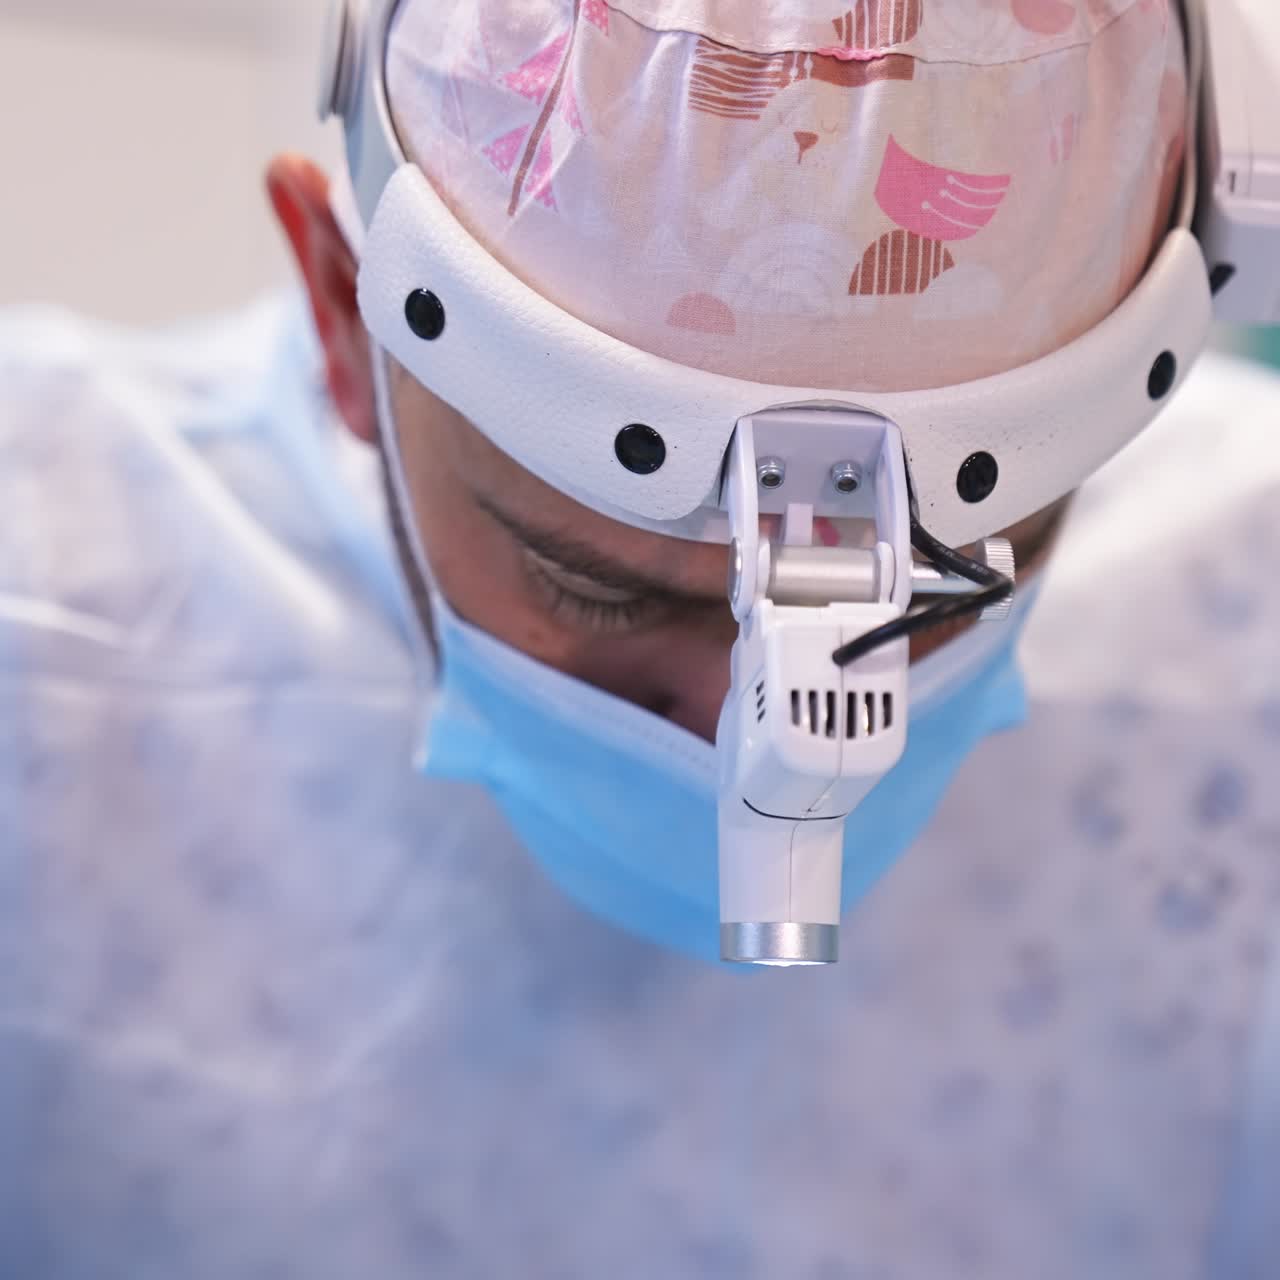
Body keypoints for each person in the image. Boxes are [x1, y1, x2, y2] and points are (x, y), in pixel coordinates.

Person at [1, 0, 1278, 1275]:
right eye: (600, 592)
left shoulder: (1246, 622)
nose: (765, 742)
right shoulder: (44, 609)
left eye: (926, 592)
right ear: (348, 307)